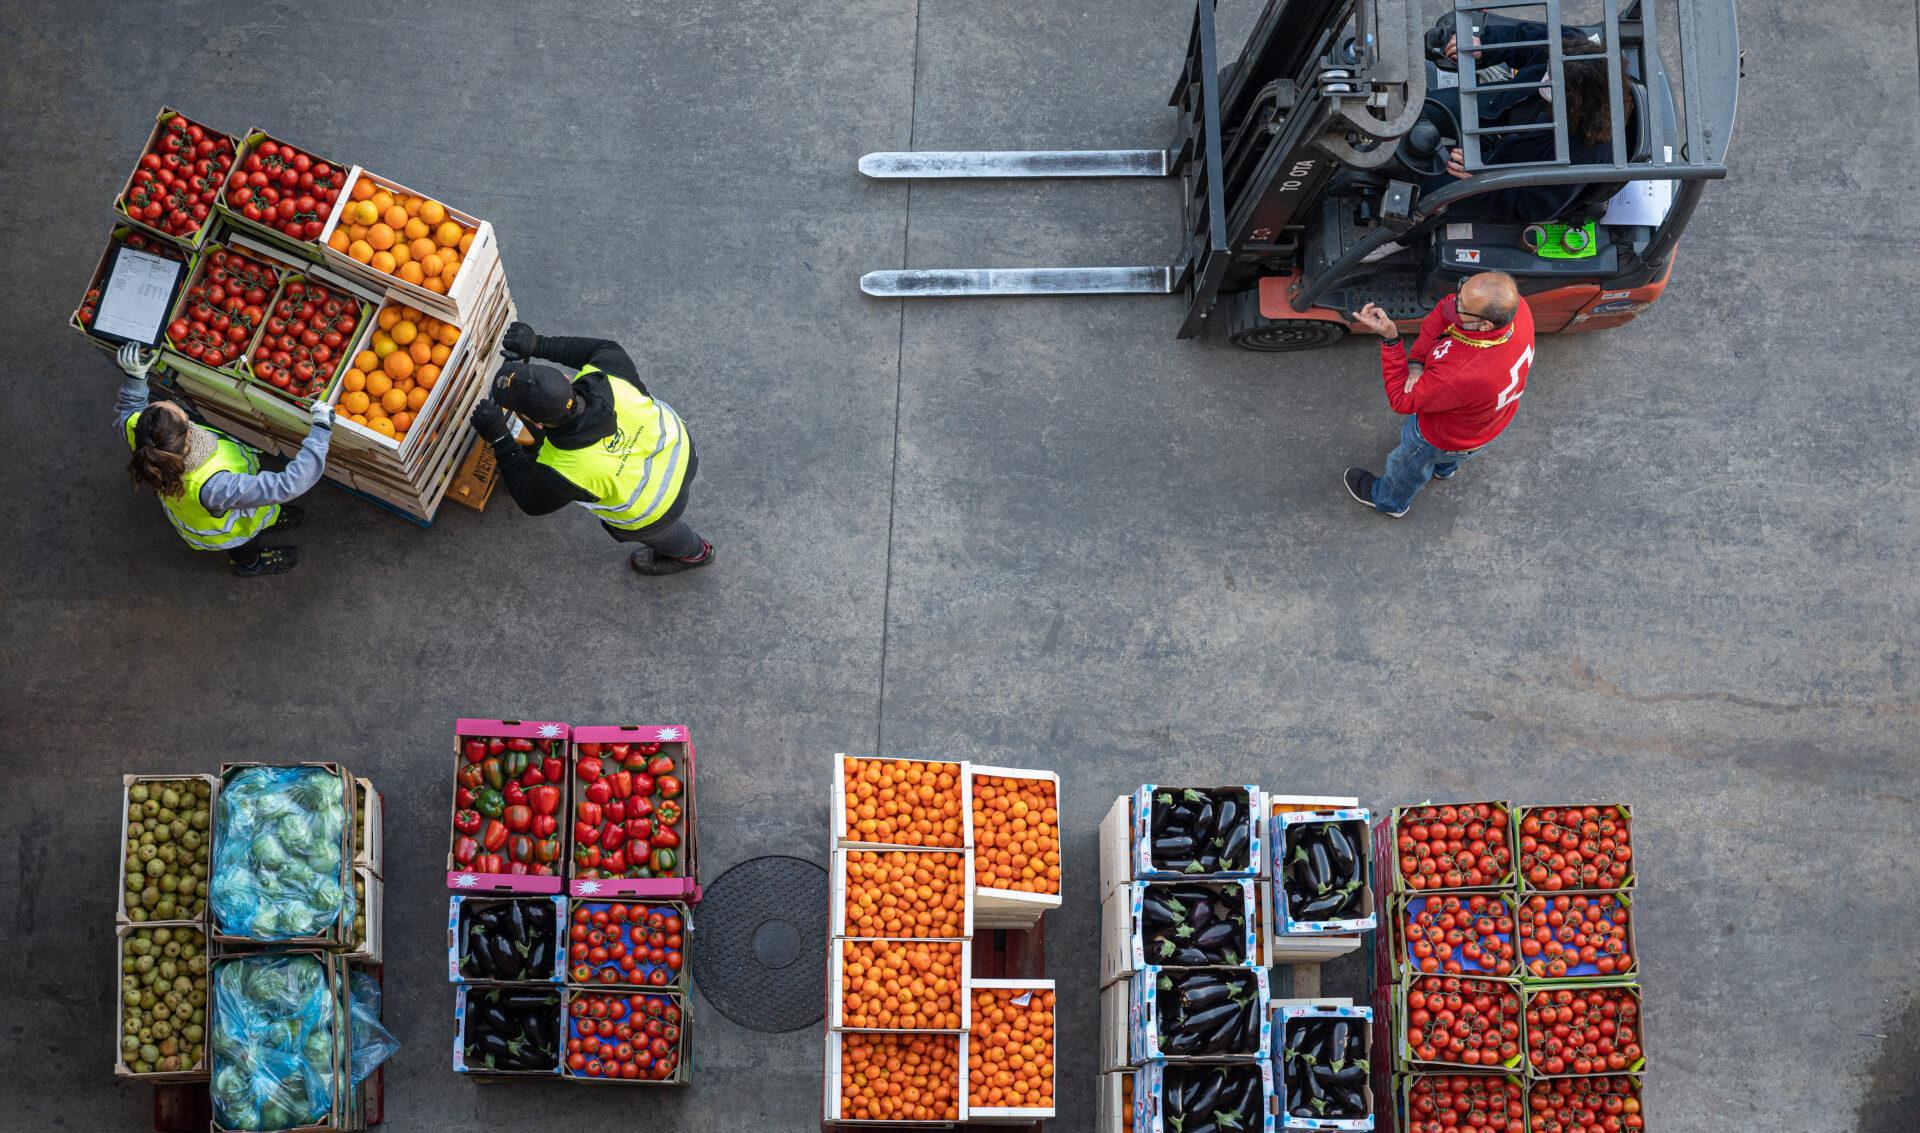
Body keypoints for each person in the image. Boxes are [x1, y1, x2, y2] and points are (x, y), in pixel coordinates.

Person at [468, 322, 713, 576]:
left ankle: (694, 553)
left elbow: (530, 501)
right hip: (681, 450)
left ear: (537, 422)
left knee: (664, 532)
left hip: (655, 508)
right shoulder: (609, 373)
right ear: (566, 378)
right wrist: (538, 343)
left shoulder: (565, 469)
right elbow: (601, 347)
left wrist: (498, 437)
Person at [114, 343, 333, 575]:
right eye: (174, 409)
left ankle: (270, 517)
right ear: (188, 433)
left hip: (210, 505)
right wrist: (320, 430)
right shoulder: (214, 486)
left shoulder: (142, 436)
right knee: (245, 545)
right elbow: (288, 485)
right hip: (230, 531)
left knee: (263, 511)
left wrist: (135, 378)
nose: (168, 404)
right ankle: (250, 565)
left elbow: (130, 409)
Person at [1343, 272, 1535, 517]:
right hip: (1486, 425)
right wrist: (1417, 362)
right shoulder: (1517, 310)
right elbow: (1446, 308)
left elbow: (1402, 401)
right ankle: (1444, 469)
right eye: (1461, 292)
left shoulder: (1459, 374)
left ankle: (1390, 501)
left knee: (1407, 465)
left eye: (1462, 306)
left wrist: (1391, 340)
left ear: (1484, 324)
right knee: (1452, 455)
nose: (1454, 303)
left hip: (1438, 436)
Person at [1430, 28, 1635, 224]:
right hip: (1496, 111)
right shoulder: (1568, 44)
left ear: (1577, 103)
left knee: (1429, 190)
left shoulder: (1587, 153)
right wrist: (1486, 45)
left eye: (1553, 83)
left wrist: (1484, 181)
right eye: (1548, 71)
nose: (1545, 81)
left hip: (1503, 173)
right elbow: (1527, 39)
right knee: (1427, 111)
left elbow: (1532, 206)